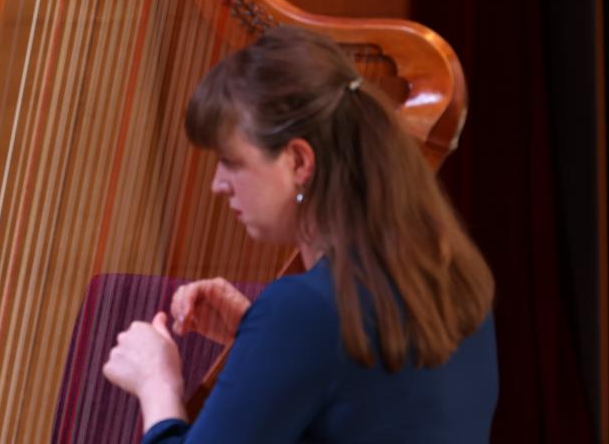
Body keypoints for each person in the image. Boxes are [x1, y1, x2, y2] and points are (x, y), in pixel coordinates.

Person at [101, 26, 498, 443]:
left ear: (298, 160)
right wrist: (262, 344)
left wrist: (157, 385)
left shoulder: (306, 311)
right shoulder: (453, 280)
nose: (218, 184)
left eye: (231, 161)